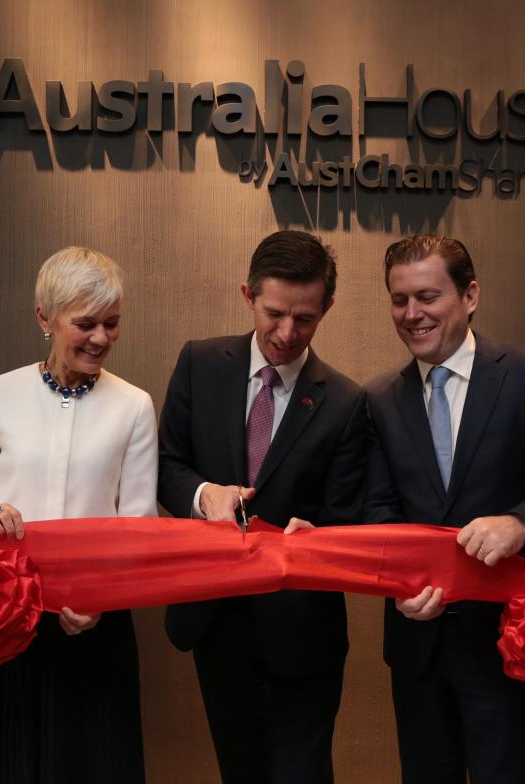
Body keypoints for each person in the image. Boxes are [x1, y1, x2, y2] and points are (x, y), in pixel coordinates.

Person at [363, 234, 525, 784]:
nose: (412, 314)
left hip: (512, 642)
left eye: (428, 296)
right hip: (418, 646)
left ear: (470, 295)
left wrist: (522, 523)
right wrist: (398, 584)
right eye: (399, 300)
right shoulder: (379, 399)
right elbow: (377, 512)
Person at [157, 230, 366, 784]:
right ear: (247, 295)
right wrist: (205, 496)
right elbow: (167, 465)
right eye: (274, 313)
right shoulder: (200, 364)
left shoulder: (346, 401)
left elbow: (351, 513)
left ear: (327, 308)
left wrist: (319, 534)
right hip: (216, 618)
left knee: (303, 773)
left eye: (305, 318)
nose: (286, 332)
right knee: (241, 771)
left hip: (303, 630)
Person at [0, 246, 156, 784]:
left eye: (112, 324)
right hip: (3, 620)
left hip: (95, 625)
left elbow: (137, 525)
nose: (101, 339)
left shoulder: (134, 405)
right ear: (45, 318)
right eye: (85, 324)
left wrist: (100, 601)